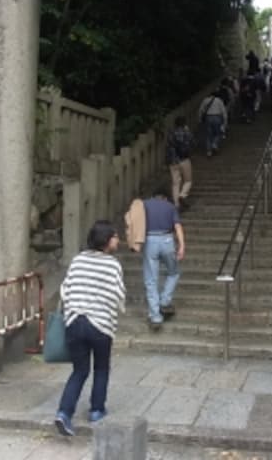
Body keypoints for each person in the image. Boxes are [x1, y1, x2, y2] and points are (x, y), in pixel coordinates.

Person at [55, 220, 126, 437]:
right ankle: (96, 410)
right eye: (115, 236)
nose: (118, 239)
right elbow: (117, 294)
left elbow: (65, 289)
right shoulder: (112, 265)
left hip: (75, 321)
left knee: (79, 370)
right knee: (102, 368)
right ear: (107, 240)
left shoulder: (78, 260)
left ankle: (64, 413)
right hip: (100, 325)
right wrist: (118, 307)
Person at [142, 185, 185, 330]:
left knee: (151, 279)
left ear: (154, 196)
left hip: (150, 241)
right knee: (174, 272)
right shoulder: (170, 206)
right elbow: (178, 227)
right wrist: (182, 246)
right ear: (165, 197)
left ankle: (155, 317)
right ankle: (165, 301)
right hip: (167, 240)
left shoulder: (144, 205)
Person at [166, 116, 193, 210]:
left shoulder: (171, 133)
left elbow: (168, 145)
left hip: (173, 160)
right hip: (184, 159)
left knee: (175, 183)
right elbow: (192, 143)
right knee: (188, 180)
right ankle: (182, 195)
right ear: (184, 123)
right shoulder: (186, 132)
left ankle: (176, 204)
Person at [199, 88, 227, 156]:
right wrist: (225, 121)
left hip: (208, 118)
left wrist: (200, 119)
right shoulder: (219, 100)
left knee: (208, 135)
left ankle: (209, 151)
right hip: (217, 117)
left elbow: (201, 110)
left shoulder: (205, 100)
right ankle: (214, 144)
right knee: (218, 133)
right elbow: (223, 111)